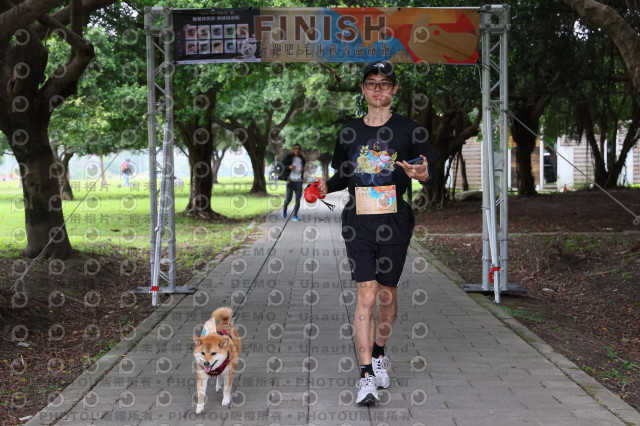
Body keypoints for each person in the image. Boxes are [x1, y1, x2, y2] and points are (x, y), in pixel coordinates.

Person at [317, 61, 436, 405]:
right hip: (358, 223)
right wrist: (326, 186)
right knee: (366, 295)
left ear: (394, 89)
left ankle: (380, 351)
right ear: (363, 89)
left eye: (385, 83)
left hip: (395, 222)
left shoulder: (411, 130)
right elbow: (343, 175)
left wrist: (422, 173)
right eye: (372, 83)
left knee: (386, 294)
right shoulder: (349, 132)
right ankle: (366, 375)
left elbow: (428, 169)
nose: (378, 89)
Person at [279, 144, 305, 221]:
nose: (297, 150)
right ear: (293, 150)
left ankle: (295, 215)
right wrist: (288, 167)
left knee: (298, 200)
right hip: (290, 181)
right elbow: (281, 166)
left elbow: (302, 168)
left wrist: (303, 169)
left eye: (299, 148)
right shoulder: (289, 157)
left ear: (300, 150)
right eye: (295, 148)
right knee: (288, 199)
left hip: (299, 181)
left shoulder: (302, 159)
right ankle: (284, 209)